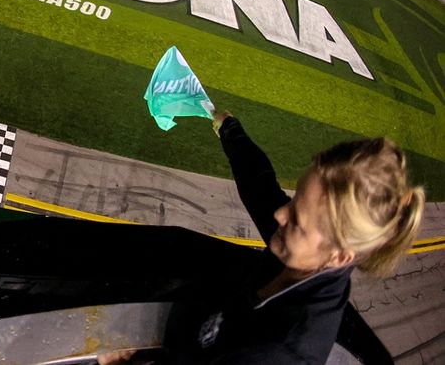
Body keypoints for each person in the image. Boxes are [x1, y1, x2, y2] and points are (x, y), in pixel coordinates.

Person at [160, 111, 425, 364]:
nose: (279, 214)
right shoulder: (304, 256)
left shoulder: (282, 351)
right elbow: (260, 187)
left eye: (296, 220)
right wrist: (229, 128)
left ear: (340, 256)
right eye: (295, 200)